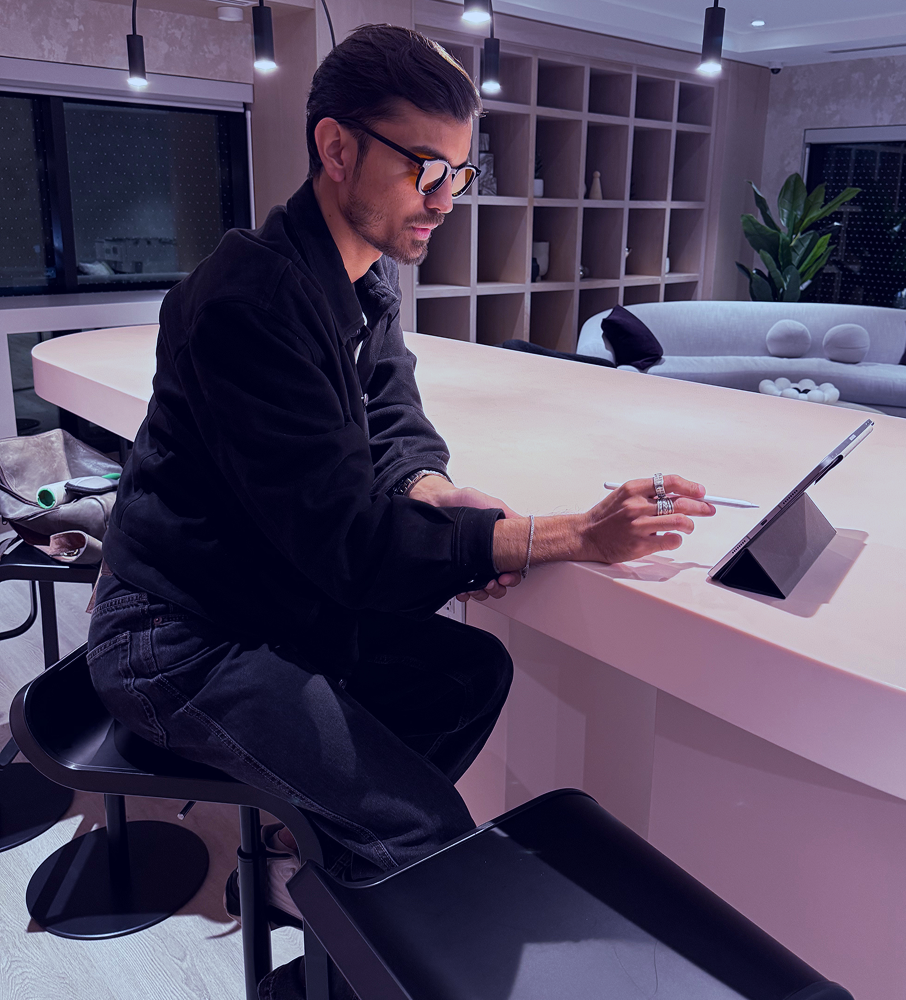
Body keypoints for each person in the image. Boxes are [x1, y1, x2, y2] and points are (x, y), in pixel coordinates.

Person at [86, 24, 715, 1000]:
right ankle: (348, 904)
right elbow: (350, 549)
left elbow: (396, 426)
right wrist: (570, 535)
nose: (447, 200)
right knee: (420, 828)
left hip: (267, 603)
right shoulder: (249, 302)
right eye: (427, 166)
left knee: (466, 671)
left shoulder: (358, 282)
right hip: (178, 637)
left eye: (461, 172)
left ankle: (325, 874)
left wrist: (435, 495)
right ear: (337, 149)